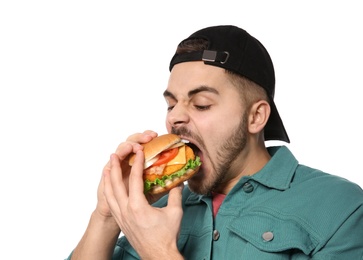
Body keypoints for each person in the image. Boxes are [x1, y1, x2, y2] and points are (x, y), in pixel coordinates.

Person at [66, 25, 363, 259]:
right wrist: (108, 213)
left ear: (256, 117)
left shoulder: (341, 208)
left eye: (201, 104)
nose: (175, 119)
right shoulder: (152, 211)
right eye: (171, 105)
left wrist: (159, 252)